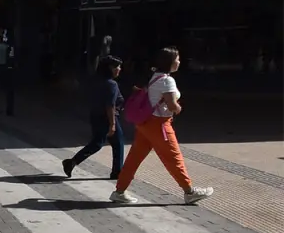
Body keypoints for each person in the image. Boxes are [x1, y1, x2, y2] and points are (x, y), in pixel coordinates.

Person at [111, 47, 214, 205]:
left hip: (146, 124)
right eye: (178, 59)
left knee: (134, 158)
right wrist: (179, 108)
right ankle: (189, 192)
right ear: (170, 62)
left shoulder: (156, 77)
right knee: (174, 157)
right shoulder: (167, 80)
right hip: (159, 125)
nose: (179, 62)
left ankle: (119, 191)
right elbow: (172, 105)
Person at [63, 56, 125, 180]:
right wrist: (112, 124)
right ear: (110, 68)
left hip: (95, 116)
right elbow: (110, 105)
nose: (119, 69)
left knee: (97, 143)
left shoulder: (95, 81)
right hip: (107, 118)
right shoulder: (111, 84)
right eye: (117, 67)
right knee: (118, 144)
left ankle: (72, 162)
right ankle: (117, 172)